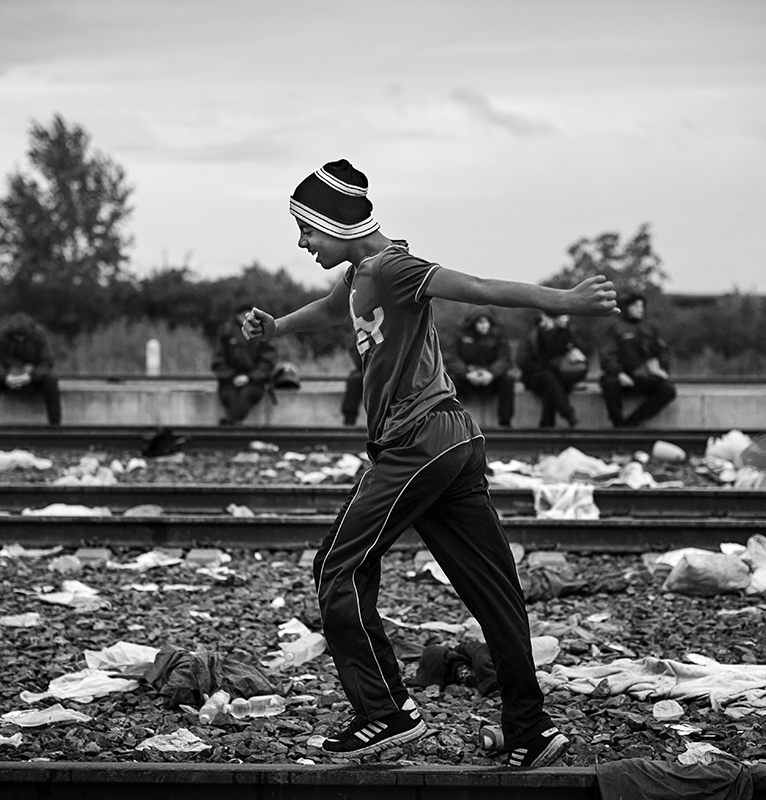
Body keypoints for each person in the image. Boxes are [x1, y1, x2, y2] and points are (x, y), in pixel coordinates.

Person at [243, 159, 617, 767]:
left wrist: (568, 302)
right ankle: (530, 729)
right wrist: (276, 327)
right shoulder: (359, 276)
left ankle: (386, 712)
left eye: (307, 229)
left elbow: (480, 288)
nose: (303, 243)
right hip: (452, 443)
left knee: (337, 566)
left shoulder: (395, 267)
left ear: (335, 224)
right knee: (494, 588)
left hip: (419, 439)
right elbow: (334, 310)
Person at [598, 290, 677, 428]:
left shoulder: (649, 326)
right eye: (635, 306)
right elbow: (606, 354)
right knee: (609, 383)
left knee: (668, 390)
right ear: (627, 308)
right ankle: (617, 423)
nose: (640, 309)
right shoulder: (617, 328)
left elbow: (661, 350)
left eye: (641, 306)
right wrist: (618, 373)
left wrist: (662, 368)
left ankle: (632, 423)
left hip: (643, 375)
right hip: (622, 375)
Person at [0, 312, 62, 426]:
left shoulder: (39, 335)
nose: (20, 339)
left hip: (32, 379)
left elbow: (47, 362)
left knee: (51, 380)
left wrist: (30, 376)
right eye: (17, 337)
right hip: (7, 378)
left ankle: (55, 424)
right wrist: (6, 377)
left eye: (23, 337)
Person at [515, 312, 588, 428]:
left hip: (559, 376)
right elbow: (522, 360)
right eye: (562, 316)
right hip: (535, 376)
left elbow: (583, 354)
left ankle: (547, 424)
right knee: (548, 377)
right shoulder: (535, 332)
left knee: (551, 384)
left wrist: (576, 353)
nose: (566, 319)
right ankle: (567, 413)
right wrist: (546, 334)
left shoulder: (568, 332)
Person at [444, 310, 515, 428]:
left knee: (507, 381)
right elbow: (451, 357)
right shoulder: (460, 334)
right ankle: (452, 424)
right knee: (450, 381)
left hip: (490, 379)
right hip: (466, 379)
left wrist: (491, 373)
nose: (484, 325)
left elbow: (504, 358)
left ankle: (505, 424)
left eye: (486, 322)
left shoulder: (498, 335)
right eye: (480, 322)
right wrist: (466, 373)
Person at [211, 302, 276, 426]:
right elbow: (218, 360)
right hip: (229, 380)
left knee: (246, 394)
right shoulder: (226, 330)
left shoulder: (262, 331)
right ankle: (232, 424)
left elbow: (268, 361)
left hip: (254, 381)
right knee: (230, 395)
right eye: (242, 315)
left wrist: (249, 377)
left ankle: (230, 423)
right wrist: (232, 376)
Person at [340, 337, 363, 426]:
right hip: (366, 370)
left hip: (385, 370)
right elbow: (357, 359)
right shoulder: (358, 335)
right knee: (354, 380)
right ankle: (349, 418)